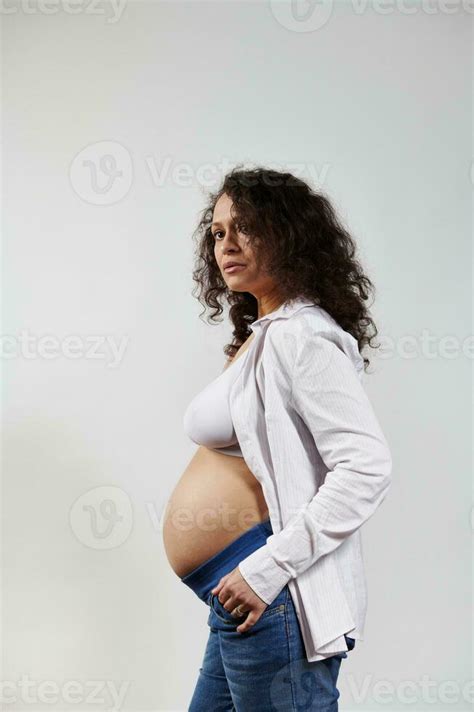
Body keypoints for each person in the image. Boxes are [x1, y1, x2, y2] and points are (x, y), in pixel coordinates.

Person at [162, 166, 392, 711]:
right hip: (240, 595)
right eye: (217, 232)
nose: (227, 244)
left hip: (271, 592)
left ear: (289, 235)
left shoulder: (301, 335)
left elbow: (366, 467)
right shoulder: (264, 337)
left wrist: (265, 570)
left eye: (247, 226)